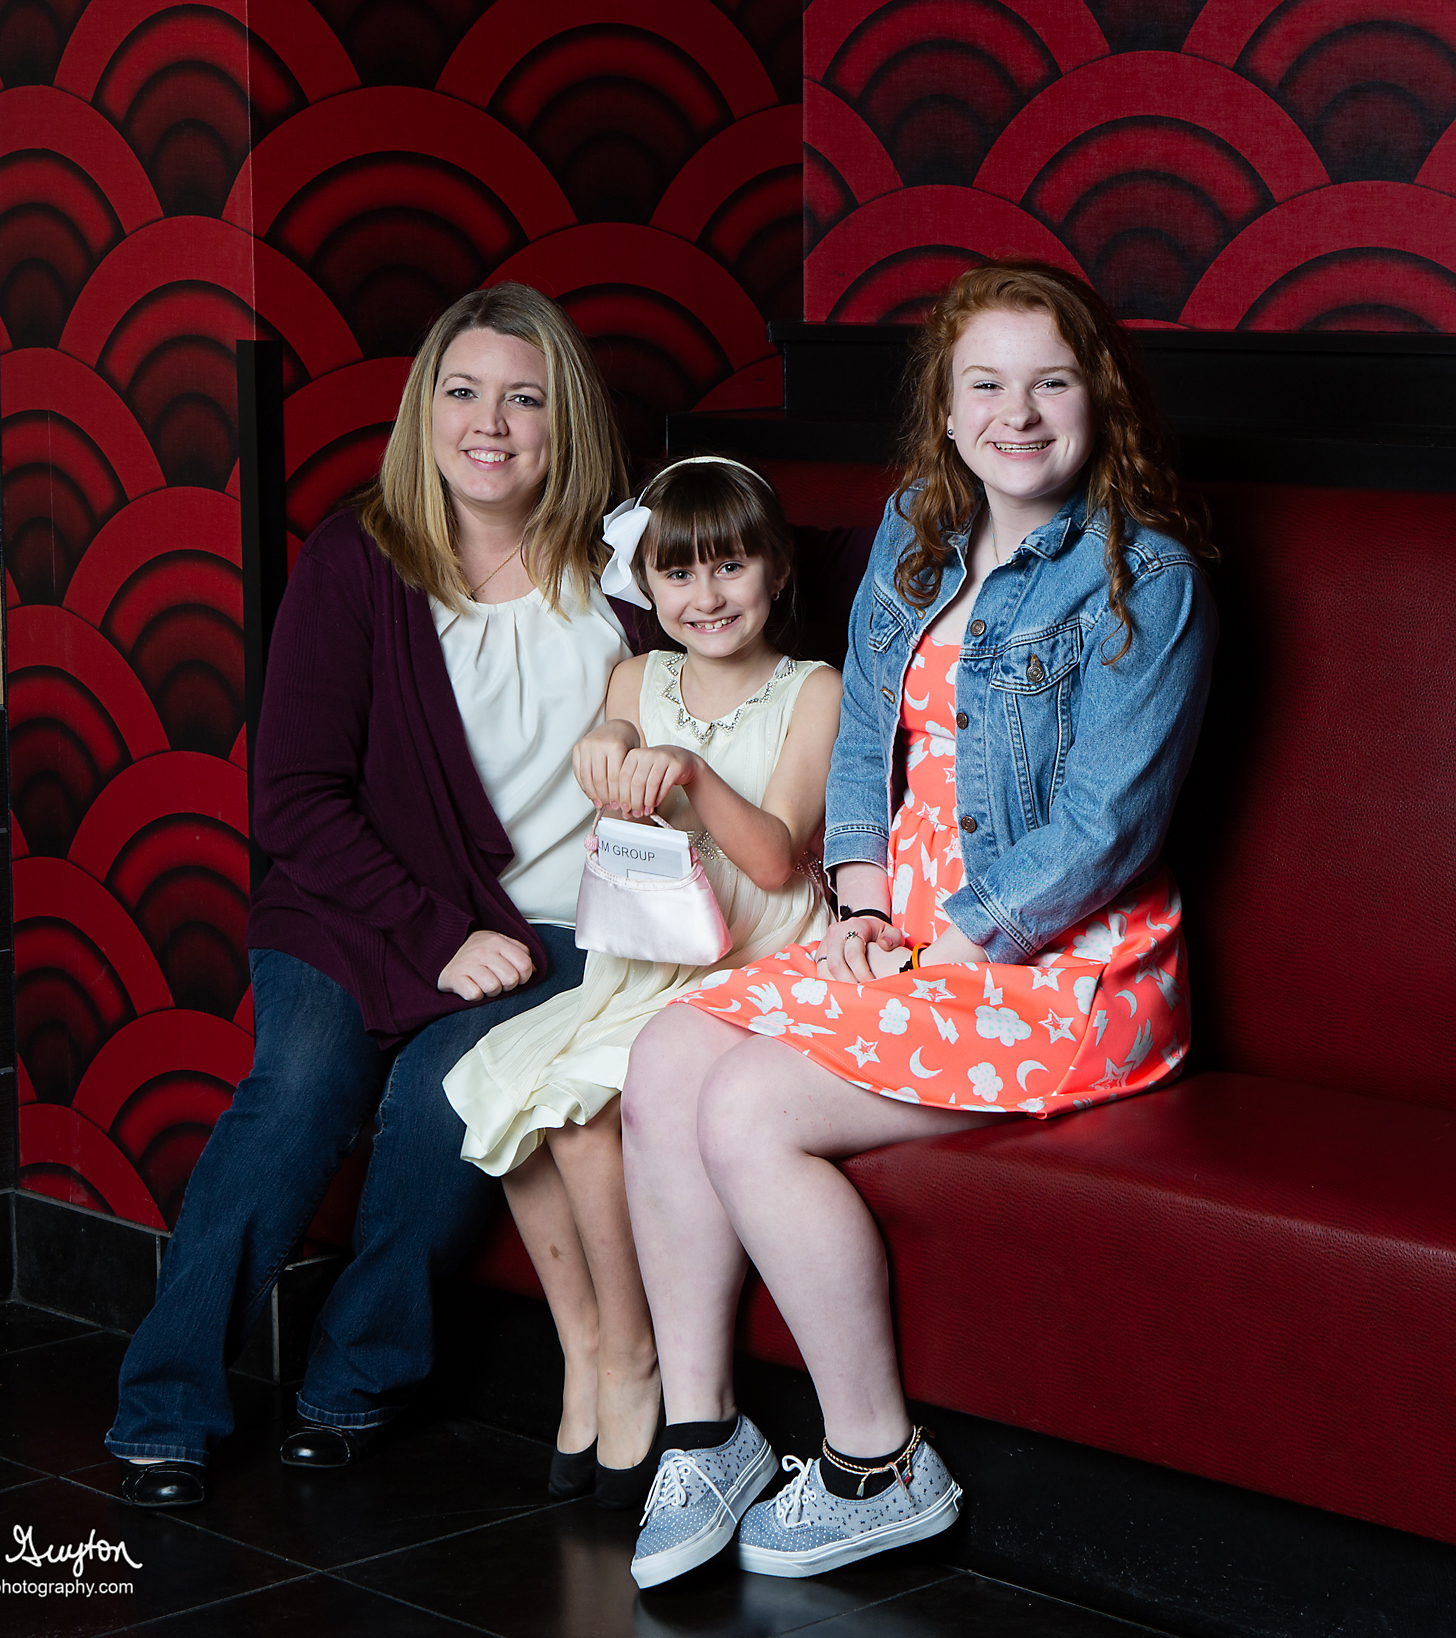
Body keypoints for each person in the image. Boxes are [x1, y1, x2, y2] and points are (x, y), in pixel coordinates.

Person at [617, 259, 1218, 1588]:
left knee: (750, 1106)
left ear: (1097, 399)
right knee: (665, 1056)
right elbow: (866, 740)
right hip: (911, 929)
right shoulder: (918, 525)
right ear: (946, 414)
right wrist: (861, 895)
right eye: (985, 385)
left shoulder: (1147, 575)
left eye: (1050, 381)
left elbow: (1107, 825)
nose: (1018, 412)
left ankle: (879, 1461)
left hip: (1058, 957)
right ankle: (705, 1433)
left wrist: (952, 933)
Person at [107, 283, 650, 1507]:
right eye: (462, 393)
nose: (490, 424)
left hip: (551, 925)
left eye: (523, 398)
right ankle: (165, 1401)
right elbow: (293, 797)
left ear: (564, 420)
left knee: (437, 1098)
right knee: (295, 1094)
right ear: (425, 412)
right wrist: (432, 929)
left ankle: (355, 1379)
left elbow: (766, 596)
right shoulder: (359, 558)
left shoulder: (626, 565)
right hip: (357, 907)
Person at [442, 455, 841, 1508]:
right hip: (645, 955)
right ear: (645, 585)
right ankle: (589, 1344)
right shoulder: (636, 676)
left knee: (576, 1112)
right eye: (677, 575)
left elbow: (772, 862)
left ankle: (638, 1357)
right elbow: (612, 738)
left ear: (776, 569)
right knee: (501, 1078)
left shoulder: (811, 690)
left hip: (749, 964)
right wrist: (612, 747)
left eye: (730, 568)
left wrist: (693, 776)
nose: (704, 598)